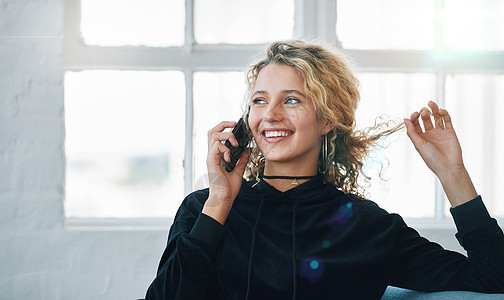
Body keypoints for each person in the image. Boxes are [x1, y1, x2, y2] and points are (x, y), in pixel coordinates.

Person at [145, 40, 504, 299]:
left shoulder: (368, 226)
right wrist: (219, 201)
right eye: (259, 100)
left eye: (291, 100)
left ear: (328, 118)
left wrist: (453, 175)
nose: (269, 114)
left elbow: (493, 279)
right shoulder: (204, 210)